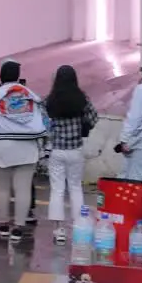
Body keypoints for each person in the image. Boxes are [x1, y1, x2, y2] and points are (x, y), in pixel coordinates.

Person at [0, 61, 47, 242]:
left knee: (2, 188)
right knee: (23, 188)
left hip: (3, 145)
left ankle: (3, 226)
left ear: (1, 75)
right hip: (28, 145)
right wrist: (44, 146)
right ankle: (18, 228)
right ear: (18, 75)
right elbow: (45, 120)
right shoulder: (31, 95)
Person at [44, 65, 98, 244]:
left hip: (57, 150)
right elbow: (93, 118)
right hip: (76, 150)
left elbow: (44, 123)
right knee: (75, 188)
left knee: (57, 190)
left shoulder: (50, 100)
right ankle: (79, 227)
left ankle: (58, 231)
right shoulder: (81, 99)